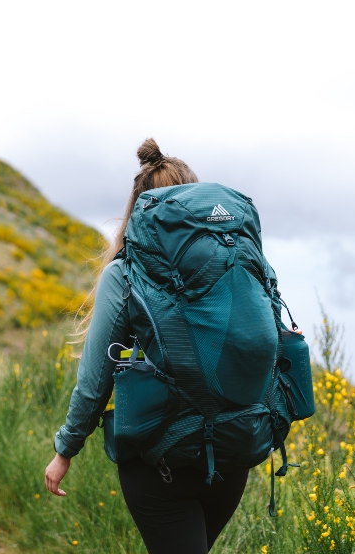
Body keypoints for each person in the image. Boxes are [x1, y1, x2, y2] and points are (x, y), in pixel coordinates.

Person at [45, 139, 251, 553]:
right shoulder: (236, 260)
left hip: (160, 460)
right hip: (232, 452)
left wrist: (65, 449)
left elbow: (96, 377)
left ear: (138, 207)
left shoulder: (125, 273)